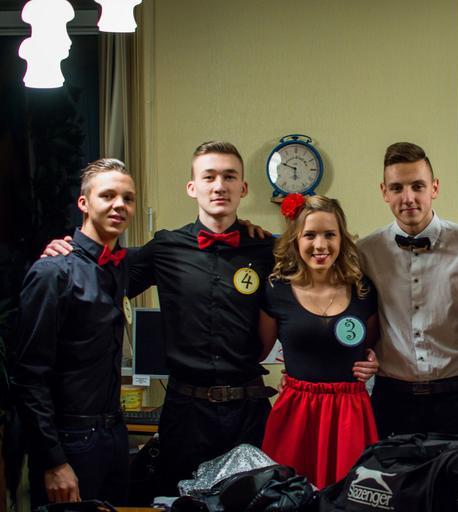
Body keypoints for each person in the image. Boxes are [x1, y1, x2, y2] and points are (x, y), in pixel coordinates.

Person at [41, 141, 378, 495]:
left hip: (249, 412)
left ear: (242, 188)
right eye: (209, 177)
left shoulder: (268, 250)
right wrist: (69, 252)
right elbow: (104, 274)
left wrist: (364, 354)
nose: (220, 186)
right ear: (192, 187)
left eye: (229, 177)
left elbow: (318, 286)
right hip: (185, 413)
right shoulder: (165, 248)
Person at [14, 159, 136, 506]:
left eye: (127, 198)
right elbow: (29, 376)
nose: (119, 205)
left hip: (114, 435)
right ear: (84, 203)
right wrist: (53, 461)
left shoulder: (120, 266)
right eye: (108, 195)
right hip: (70, 440)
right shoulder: (53, 272)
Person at [357, 142, 458, 437]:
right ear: (384, 192)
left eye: (417, 186)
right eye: (397, 188)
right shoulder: (364, 253)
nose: (408, 198)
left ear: (434, 188)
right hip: (390, 400)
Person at [259, 194, 379, 488]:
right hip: (297, 412)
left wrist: (373, 361)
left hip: (350, 413)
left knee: (347, 496)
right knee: (289, 496)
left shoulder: (363, 289)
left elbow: (372, 347)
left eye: (330, 234)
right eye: (310, 235)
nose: (320, 245)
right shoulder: (276, 289)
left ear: (342, 239)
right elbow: (258, 351)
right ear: (296, 240)